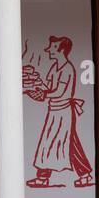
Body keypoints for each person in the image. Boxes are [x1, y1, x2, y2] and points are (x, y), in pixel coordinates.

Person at [24, 35, 93, 188]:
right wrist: (36, 91)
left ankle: (84, 174)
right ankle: (45, 177)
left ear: (62, 50)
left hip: (63, 111)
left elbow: (60, 92)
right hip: (54, 110)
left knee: (66, 143)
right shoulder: (54, 67)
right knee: (50, 142)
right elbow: (50, 89)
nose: (49, 50)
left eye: (53, 48)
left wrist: (43, 94)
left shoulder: (67, 69)